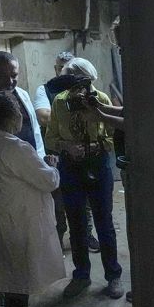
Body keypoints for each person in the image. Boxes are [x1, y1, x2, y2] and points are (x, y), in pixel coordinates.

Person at [0, 92, 61, 307]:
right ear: (11, 117)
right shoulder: (15, 148)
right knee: (19, 273)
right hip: (19, 218)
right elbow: (47, 181)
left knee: (11, 271)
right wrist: (52, 165)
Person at [46, 57, 124, 299]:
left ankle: (113, 276)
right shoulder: (59, 102)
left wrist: (97, 145)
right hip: (71, 167)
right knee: (77, 224)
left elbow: (114, 136)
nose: (74, 89)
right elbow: (51, 138)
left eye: (78, 82)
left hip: (98, 164)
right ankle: (81, 275)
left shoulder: (100, 99)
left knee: (104, 223)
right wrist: (66, 146)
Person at [34, 51, 99, 253]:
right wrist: (68, 110)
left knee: (86, 201)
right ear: (56, 69)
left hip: (87, 155)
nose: (65, 71)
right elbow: (44, 117)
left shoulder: (88, 89)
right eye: (61, 67)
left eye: (69, 67)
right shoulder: (46, 90)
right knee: (59, 202)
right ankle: (59, 239)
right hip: (59, 154)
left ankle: (86, 235)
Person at [0, 51, 44, 159]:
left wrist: (41, 159)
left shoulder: (23, 95)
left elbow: (35, 131)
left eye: (14, 75)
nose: (9, 81)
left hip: (31, 166)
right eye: (3, 76)